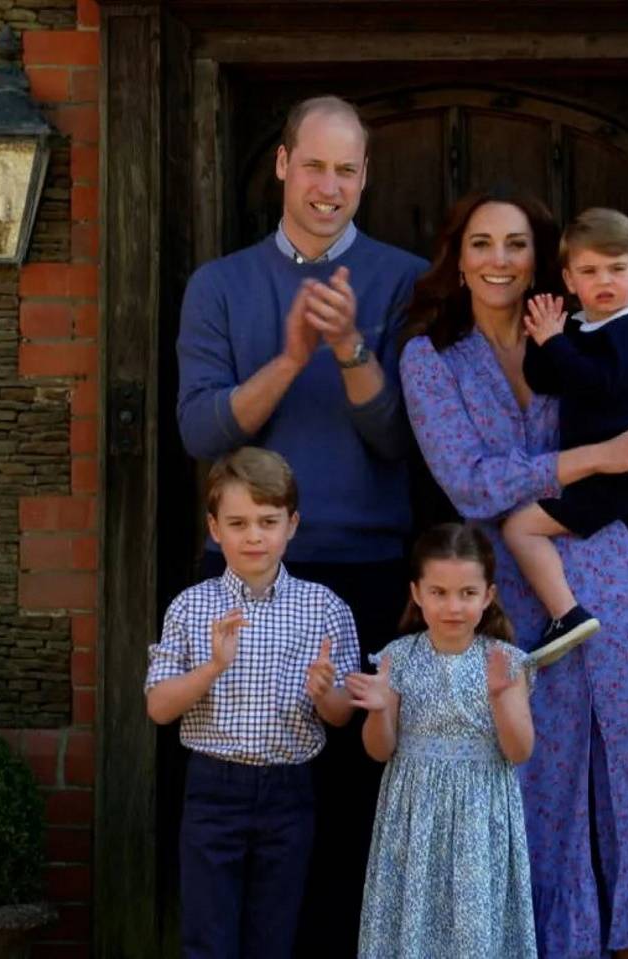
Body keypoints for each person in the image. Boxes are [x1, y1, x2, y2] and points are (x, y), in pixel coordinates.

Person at [399, 191, 628, 959]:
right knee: (536, 795)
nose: (499, 260)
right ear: (458, 258)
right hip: (512, 600)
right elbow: (471, 484)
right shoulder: (430, 356)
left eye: (514, 245)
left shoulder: (591, 331)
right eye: (481, 244)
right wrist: (600, 457)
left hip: (614, 581)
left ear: (543, 262)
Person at [174, 95, 426, 955]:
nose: (328, 185)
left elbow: (399, 439)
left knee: (350, 808)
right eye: (313, 165)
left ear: (365, 178)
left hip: (363, 569)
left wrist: (352, 347)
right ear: (282, 164)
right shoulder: (220, 284)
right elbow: (203, 432)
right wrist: (289, 357)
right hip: (244, 574)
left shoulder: (405, 280)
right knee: (237, 806)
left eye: (346, 169)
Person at [144, 448, 359, 959]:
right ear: (214, 529)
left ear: (292, 524)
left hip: (289, 791)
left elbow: (343, 714)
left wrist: (324, 691)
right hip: (213, 788)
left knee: (274, 936)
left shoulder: (324, 607)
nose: (254, 536)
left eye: (268, 522)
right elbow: (158, 707)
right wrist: (213, 667)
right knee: (207, 937)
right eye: (238, 523)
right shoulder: (192, 606)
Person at [348, 522, 538, 959]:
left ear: (488, 595)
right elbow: (379, 750)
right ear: (417, 593)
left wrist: (502, 698)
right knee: (414, 925)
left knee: (475, 931)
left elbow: (519, 751)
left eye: (467, 593)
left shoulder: (506, 661)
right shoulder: (399, 657)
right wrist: (379, 708)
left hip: (480, 815)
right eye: (439, 592)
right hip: (414, 816)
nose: (453, 606)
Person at [504, 208, 628, 667]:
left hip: (609, 477)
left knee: (520, 527)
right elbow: (545, 379)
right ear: (570, 280)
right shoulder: (582, 327)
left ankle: (566, 615)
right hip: (587, 470)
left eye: (617, 269)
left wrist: (557, 342)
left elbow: (598, 384)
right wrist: (543, 338)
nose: (605, 281)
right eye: (590, 271)